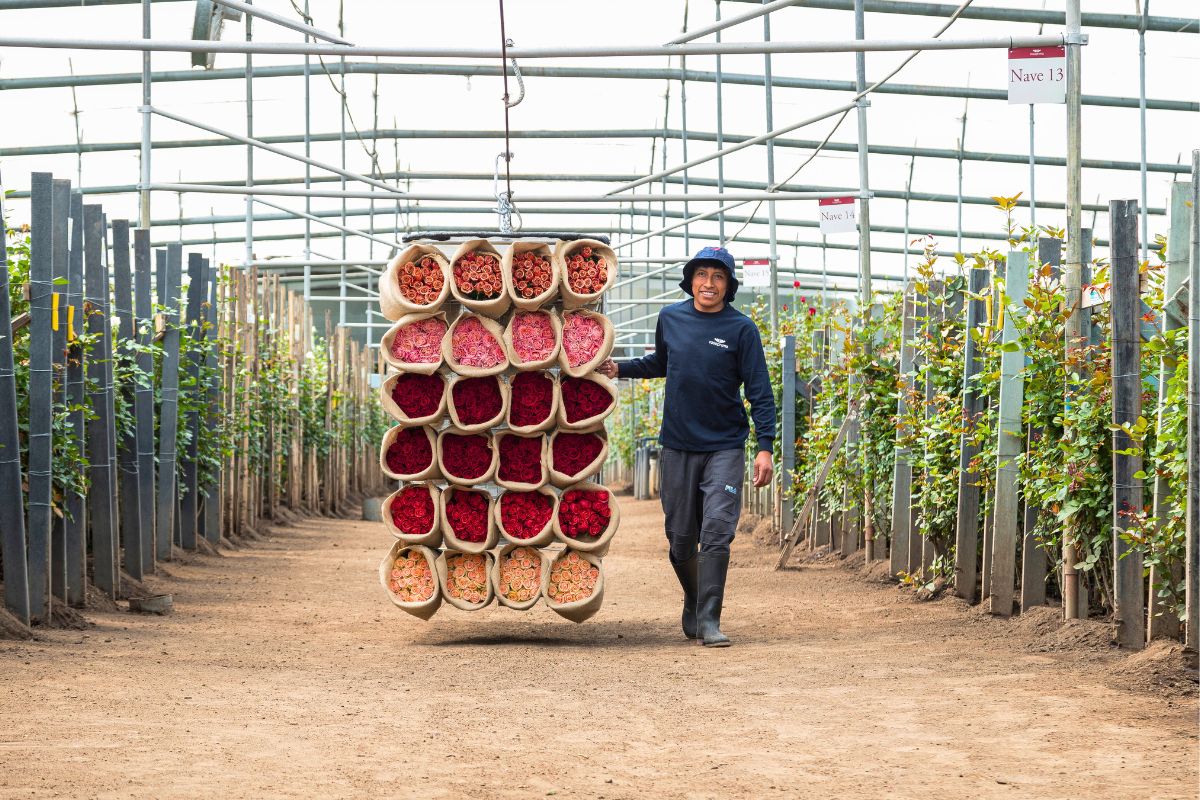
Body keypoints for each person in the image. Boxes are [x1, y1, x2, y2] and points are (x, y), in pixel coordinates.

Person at [598, 246, 776, 647]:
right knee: (680, 537)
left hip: (726, 445)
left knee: (716, 530)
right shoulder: (671, 318)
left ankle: (710, 619)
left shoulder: (741, 329)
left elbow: (760, 392)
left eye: (717, 276)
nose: (708, 283)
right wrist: (620, 368)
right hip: (678, 444)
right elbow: (662, 362)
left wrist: (765, 446)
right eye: (702, 275)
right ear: (690, 280)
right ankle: (694, 598)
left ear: (728, 285)